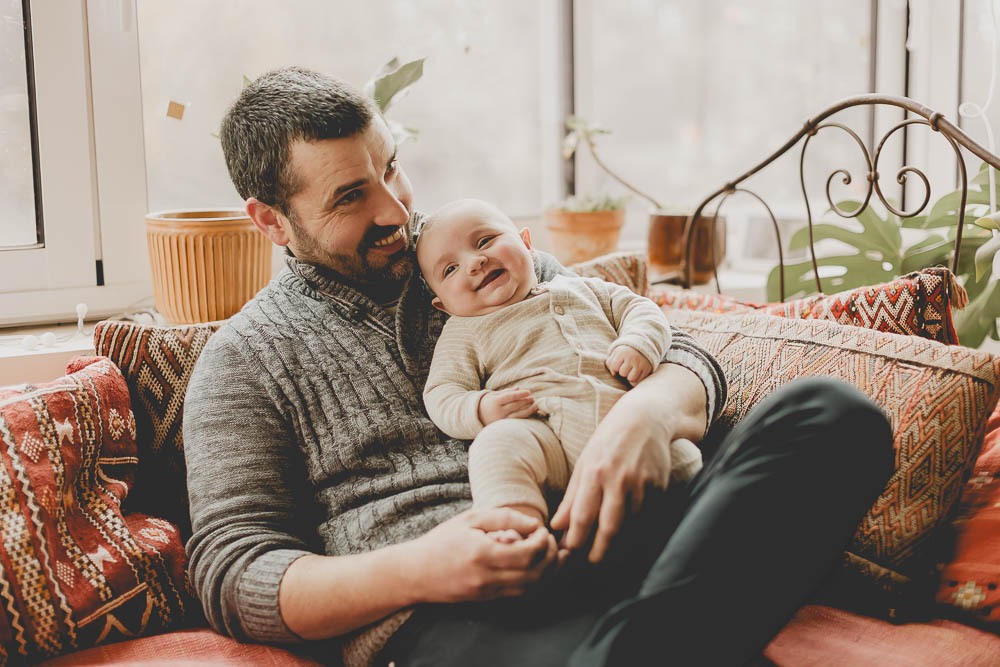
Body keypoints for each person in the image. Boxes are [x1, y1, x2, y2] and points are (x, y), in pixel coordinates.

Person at [183, 65, 894, 666]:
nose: (396, 208)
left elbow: (680, 355)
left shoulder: (486, 258)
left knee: (834, 416)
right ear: (271, 220)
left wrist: (646, 414)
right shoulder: (244, 359)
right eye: (350, 196)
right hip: (454, 616)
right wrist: (420, 567)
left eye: (390, 165)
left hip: (626, 528)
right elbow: (230, 568)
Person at [418, 198, 702, 525]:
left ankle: (685, 524)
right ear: (443, 305)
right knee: (496, 446)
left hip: (629, 424)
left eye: (485, 241)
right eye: (450, 269)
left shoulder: (582, 288)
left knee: (686, 459)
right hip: (547, 437)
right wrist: (480, 409)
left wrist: (638, 343)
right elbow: (442, 391)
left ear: (527, 244)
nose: (475, 262)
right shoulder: (463, 331)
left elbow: (640, 308)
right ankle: (516, 526)